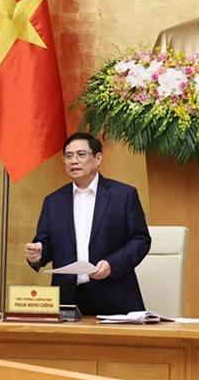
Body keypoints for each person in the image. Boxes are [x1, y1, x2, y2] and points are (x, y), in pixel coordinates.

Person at [25, 133, 151, 316]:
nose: (74, 161)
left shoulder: (123, 195)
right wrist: (37, 253)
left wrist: (112, 264)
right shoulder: (53, 201)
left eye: (81, 154)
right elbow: (45, 245)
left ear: (98, 158)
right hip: (67, 301)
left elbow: (140, 240)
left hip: (114, 297)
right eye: (69, 156)